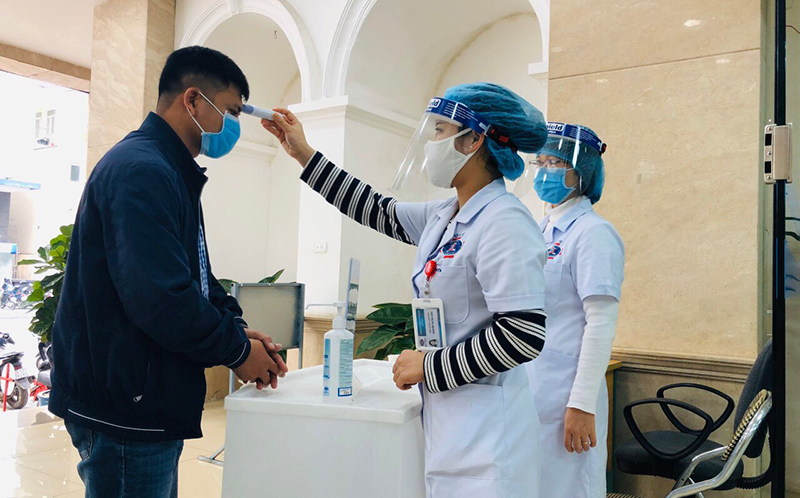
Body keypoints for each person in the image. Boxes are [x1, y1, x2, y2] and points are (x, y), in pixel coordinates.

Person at [263, 83, 549, 497]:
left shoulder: (504, 223)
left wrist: (430, 366)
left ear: (473, 140)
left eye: (440, 130)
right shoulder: (447, 214)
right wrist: (304, 153)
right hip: (453, 422)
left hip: (489, 435)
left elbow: (524, 335)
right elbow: (377, 209)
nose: (432, 143)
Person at [49, 46, 288, 498]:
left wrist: (237, 330)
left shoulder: (169, 170)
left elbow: (196, 276)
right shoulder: (141, 170)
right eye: (231, 112)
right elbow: (159, 297)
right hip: (125, 407)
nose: (233, 126)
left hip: (143, 399)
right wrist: (238, 351)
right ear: (192, 100)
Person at [522, 123, 625, 498]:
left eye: (555, 163)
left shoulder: (594, 233)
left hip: (567, 396)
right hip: (533, 390)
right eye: (540, 162)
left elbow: (601, 323)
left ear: (582, 172)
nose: (544, 171)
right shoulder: (541, 229)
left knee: (569, 488)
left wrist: (581, 404)